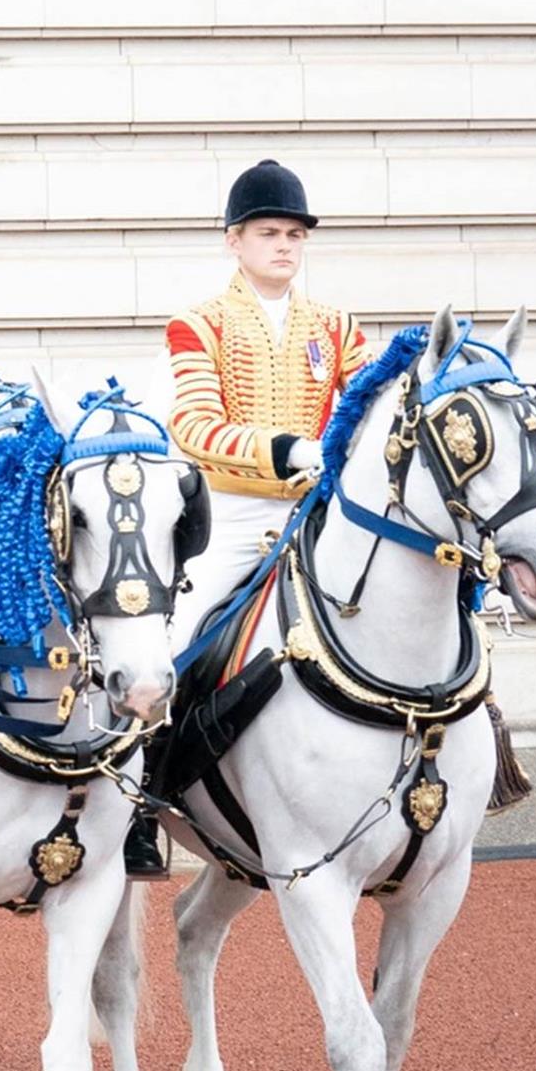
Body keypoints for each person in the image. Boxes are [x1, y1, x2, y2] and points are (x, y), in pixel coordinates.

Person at [142, 157, 372, 877]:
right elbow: (194, 426)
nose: (284, 246)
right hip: (233, 514)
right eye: (269, 232)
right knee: (168, 647)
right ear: (234, 241)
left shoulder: (336, 327)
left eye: (295, 235)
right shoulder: (198, 325)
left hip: (316, 510)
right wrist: (289, 450)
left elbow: (372, 401)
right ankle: (139, 802)